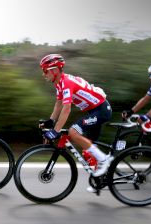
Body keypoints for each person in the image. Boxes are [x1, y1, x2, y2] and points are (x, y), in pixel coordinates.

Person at [39, 54, 113, 192]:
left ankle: (104, 159)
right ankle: (101, 181)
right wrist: (51, 121)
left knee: (73, 132)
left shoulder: (66, 83)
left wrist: (55, 131)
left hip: (101, 110)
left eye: (45, 71)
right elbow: (59, 104)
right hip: (93, 111)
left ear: (55, 70)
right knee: (88, 150)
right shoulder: (60, 84)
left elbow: (66, 109)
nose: (44, 74)